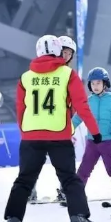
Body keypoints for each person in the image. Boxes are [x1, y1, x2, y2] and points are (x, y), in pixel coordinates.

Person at [0, 35, 104, 222]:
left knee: (24, 180)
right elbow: (82, 106)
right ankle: (80, 221)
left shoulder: (26, 77)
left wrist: (25, 132)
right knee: (69, 179)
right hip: (59, 135)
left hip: (31, 136)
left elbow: (21, 109)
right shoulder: (68, 74)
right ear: (58, 51)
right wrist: (95, 131)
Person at [29, 35, 76, 203]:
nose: (66, 56)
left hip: (60, 124)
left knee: (65, 163)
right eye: (63, 52)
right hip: (43, 122)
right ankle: (30, 190)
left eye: (69, 53)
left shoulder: (68, 73)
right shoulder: (48, 72)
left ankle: (65, 190)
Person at [73, 67, 111, 197]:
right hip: (92, 142)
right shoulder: (88, 101)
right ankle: (76, 195)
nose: (95, 86)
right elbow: (78, 117)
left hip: (108, 142)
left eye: (98, 83)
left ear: (105, 83)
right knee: (84, 169)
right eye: (92, 83)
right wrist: (68, 129)